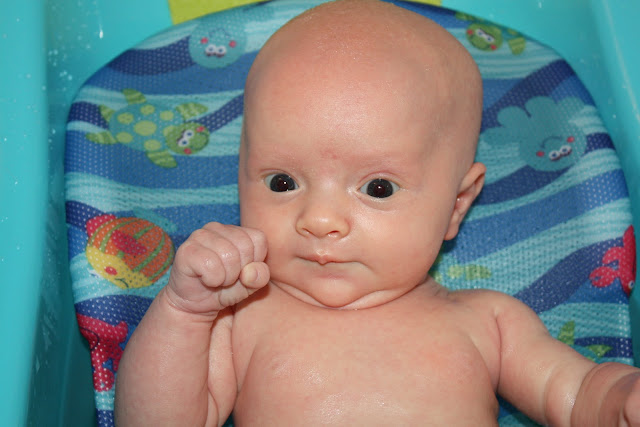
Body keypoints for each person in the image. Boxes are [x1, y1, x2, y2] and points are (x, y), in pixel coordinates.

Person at [115, 0, 640, 425]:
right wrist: (185, 313)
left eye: (378, 188)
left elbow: (577, 397)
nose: (320, 220)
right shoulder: (241, 319)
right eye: (282, 182)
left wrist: (621, 401)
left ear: (457, 205)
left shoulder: (490, 323)